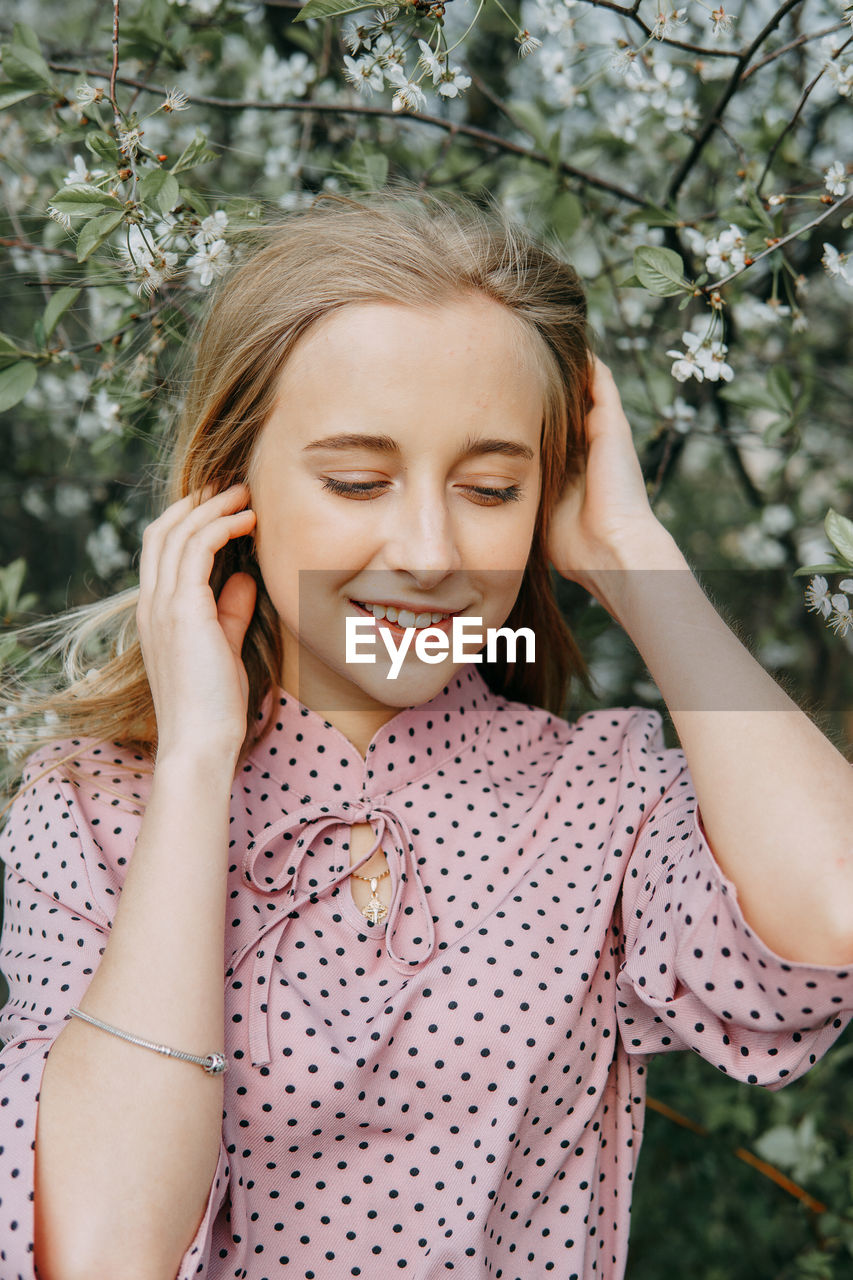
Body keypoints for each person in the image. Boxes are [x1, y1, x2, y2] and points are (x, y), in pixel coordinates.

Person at [0, 186, 851, 1280]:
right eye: (357, 478)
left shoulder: (598, 794)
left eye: (491, 486)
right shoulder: (93, 811)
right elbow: (103, 1252)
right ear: (228, 485)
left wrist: (634, 550)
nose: (428, 544)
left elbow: (832, 912)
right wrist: (199, 764)